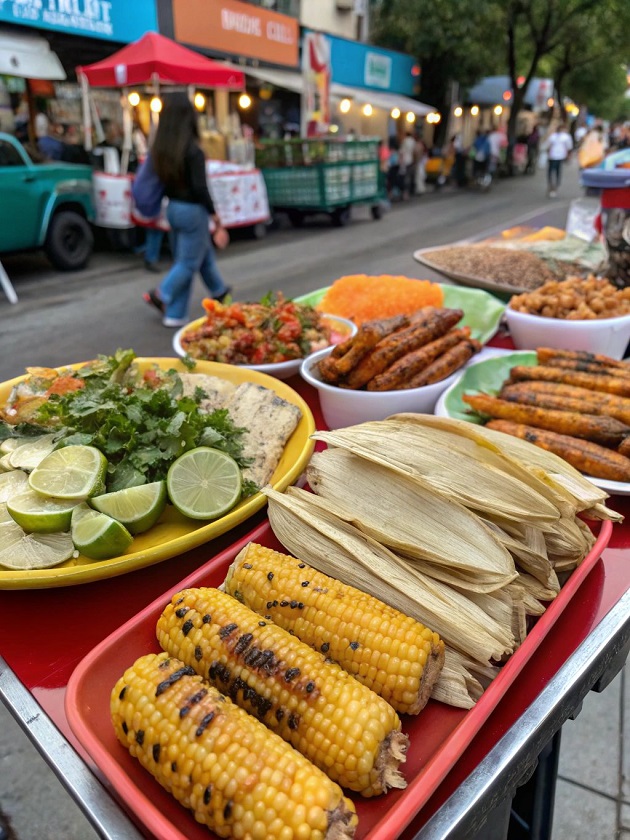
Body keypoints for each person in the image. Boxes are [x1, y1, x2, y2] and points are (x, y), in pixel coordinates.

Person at [143, 91, 231, 328]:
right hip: (193, 212)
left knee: (196, 258)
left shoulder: (161, 150)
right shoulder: (194, 152)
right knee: (188, 263)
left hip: (172, 209)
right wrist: (216, 217)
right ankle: (162, 294)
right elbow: (201, 189)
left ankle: (179, 312)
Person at [545, 123, 573, 198]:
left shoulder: (554, 136)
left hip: (555, 156)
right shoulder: (565, 137)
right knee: (556, 171)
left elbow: (548, 146)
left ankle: (553, 185)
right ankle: (554, 185)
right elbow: (569, 147)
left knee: (552, 171)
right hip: (557, 156)